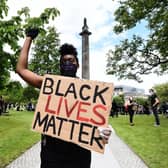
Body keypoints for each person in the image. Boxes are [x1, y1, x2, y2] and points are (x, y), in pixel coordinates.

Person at [16, 28, 112, 168]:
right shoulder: (49, 84)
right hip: (52, 153)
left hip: (79, 153)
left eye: (71, 60)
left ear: (77, 65)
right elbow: (21, 69)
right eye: (64, 61)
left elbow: (98, 120)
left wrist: (103, 131)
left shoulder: (89, 90)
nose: (68, 63)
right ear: (60, 65)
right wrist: (28, 38)